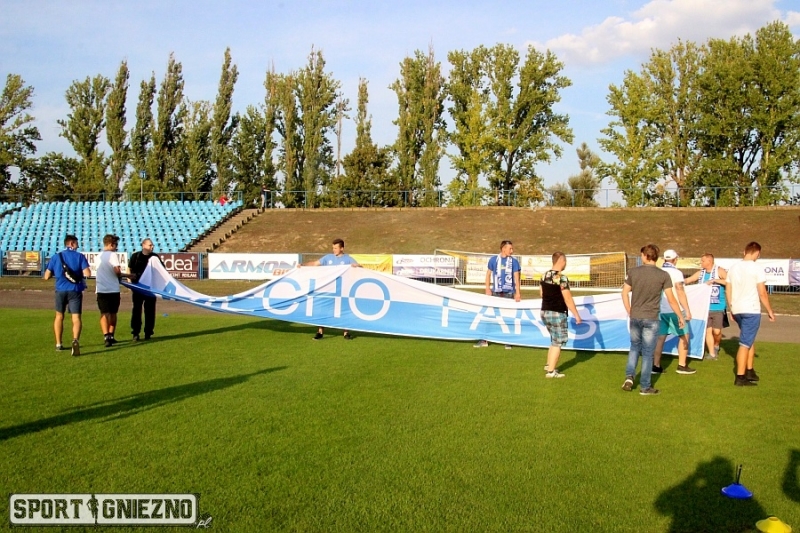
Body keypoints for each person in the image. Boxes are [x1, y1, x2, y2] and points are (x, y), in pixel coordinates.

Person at [621, 244, 685, 395]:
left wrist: (630, 310)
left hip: (636, 316)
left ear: (644, 256)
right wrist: (680, 315)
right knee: (648, 353)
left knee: (634, 347)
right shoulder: (663, 275)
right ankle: (645, 386)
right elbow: (671, 299)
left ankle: (629, 376)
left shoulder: (633, 272)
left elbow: (624, 293)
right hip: (651, 317)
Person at [727, 241, 776, 386]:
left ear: (745, 252)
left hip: (738, 308)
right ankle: (740, 377)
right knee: (744, 343)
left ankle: (749, 370)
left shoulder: (733, 268)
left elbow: (728, 289)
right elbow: (762, 293)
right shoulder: (756, 268)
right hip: (751, 309)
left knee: (749, 339)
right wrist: (769, 310)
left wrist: (731, 307)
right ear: (757, 253)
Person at [303, 238, 360, 340]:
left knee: (344, 310)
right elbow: (315, 264)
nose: (334, 250)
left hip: (342, 290)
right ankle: (320, 332)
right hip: (328, 289)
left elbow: (360, 267)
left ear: (342, 248)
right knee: (324, 310)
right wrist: (303, 265)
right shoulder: (328, 258)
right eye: (333, 248)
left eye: (336, 248)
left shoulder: (348, 259)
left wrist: (356, 266)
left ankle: (346, 333)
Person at [43, 234, 91, 356]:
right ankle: (75, 340)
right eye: (76, 243)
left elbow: (46, 276)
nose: (78, 245)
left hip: (60, 290)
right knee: (76, 318)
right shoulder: (79, 256)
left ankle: (58, 343)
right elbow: (88, 273)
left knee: (59, 316)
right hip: (75, 290)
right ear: (71, 243)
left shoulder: (56, 257)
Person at [652, 249, 695, 375]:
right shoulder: (676, 273)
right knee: (684, 335)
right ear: (675, 259)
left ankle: (656, 365)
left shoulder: (658, 272)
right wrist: (687, 310)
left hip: (660, 310)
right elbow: (679, 291)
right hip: (674, 309)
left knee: (660, 338)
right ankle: (682, 365)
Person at [540, 252, 582, 378]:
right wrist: (576, 315)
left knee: (553, 339)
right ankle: (551, 372)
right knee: (558, 342)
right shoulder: (561, 278)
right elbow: (567, 298)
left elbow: (541, 293)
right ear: (561, 261)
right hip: (557, 312)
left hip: (544, 311)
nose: (565, 264)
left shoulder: (544, 275)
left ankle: (549, 364)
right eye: (565, 261)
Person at [474, 240, 521, 349]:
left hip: (509, 293)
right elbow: (488, 274)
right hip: (495, 292)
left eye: (512, 248)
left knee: (508, 316)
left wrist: (518, 293)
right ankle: (485, 339)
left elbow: (516, 278)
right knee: (490, 315)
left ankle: (507, 340)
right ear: (503, 249)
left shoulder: (514, 262)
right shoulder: (494, 260)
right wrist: (487, 288)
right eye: (510, 248)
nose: (512, 251)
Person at [685, 253, 728, 360]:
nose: (701, 263)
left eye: (703, 261)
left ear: (709, 261)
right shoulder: (701, 273)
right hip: (704, 308)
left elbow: (729, 282)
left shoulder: (719, 271)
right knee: (708, 331)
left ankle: (716, 344)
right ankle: (712, 354)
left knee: (717, 332)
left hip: (718, 307)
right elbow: (688, 280)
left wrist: (715, 280)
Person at [94, 234, 125, 348]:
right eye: (116, 245)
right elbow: (117, 270)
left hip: (101, 288)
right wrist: (123, 275)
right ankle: (110, 335)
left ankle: (106, 335)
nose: (116, 247)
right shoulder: (112, 255)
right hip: (113, 288)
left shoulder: (98, 256)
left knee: (104, 313)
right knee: (113, 313)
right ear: (111, 244)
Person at [128, 238, 161, 342]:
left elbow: (161, 271)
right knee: (136, 310)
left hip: (150, 289)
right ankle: (135, 332)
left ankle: (148, 332)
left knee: (150, 311)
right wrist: (130, 282)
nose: (152, 247)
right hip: (137, 288)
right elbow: (129, 268)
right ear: (143, 245)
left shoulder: (155, 257)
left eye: (152, 245)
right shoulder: (135, 256)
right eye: (150, 245)